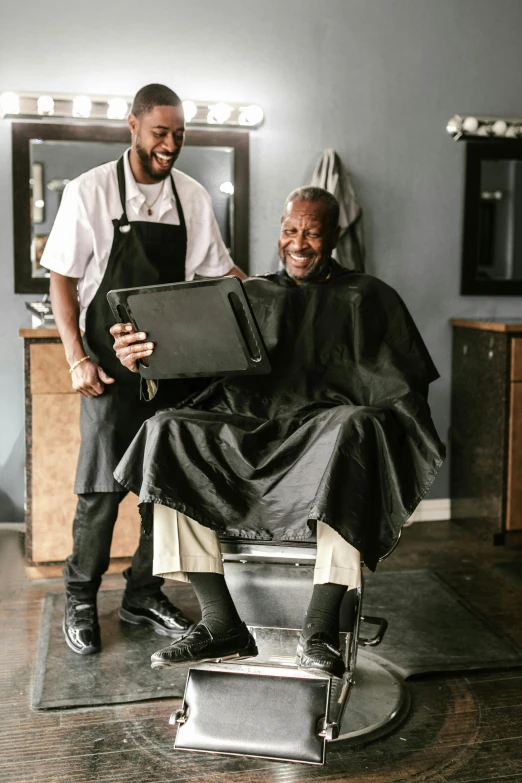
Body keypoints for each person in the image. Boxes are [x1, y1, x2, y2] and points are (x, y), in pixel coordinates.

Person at [111, 187, 445, 678]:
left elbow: (401, 391)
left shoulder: (369, 296)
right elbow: (195, 366)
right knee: (168, 430)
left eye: (312, 231)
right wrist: (144, 360)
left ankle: (320, 628)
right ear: (279, 233)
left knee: (357, 430)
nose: (300, 242)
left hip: (324, 436)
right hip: (251, 426)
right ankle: (220, 621)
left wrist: (372, 418)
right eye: (291, 230)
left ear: (333, 236)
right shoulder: (249, 296)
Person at [41, 83, 246, 656]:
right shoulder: (90, 191)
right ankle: (80, 596)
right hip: (109, 366)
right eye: (161, 132)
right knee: (101, 489)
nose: (171, 144)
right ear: (132, 125)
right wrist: (76, 356)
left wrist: (264, 293)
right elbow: (60, 276)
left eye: (179, 134)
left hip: (176, 367)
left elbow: (216, 273)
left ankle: (142, 591)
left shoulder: (191, 196)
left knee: (163, 489)